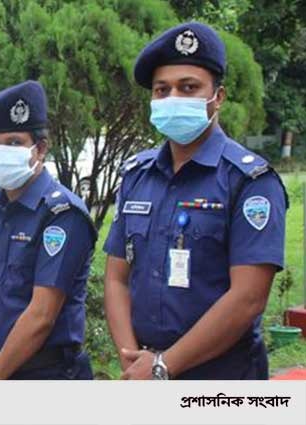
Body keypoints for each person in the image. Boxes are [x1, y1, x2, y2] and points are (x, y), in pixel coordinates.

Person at [103, 22, 288, 380]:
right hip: (143, 370)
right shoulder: (136, 176)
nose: (173, 98)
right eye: (162, 90)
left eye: (188, 87)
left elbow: (248, 297)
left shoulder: (248, 181)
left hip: (221, 377)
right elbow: (116, 279)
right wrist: (132, 360)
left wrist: (162, 366)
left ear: (218, 97)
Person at [0, 81, 97, 380]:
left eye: (14, 142)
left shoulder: (62, 214)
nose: (1, 151)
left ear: (40, 149)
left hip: (48, 376)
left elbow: (41, 316)